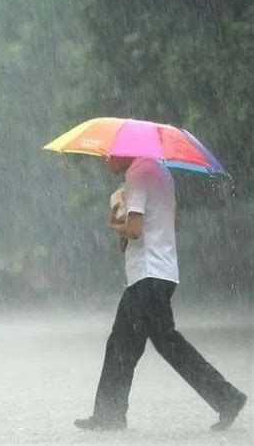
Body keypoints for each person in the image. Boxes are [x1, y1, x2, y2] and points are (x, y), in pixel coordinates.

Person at [74, 156, 247, 432]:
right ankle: (110, 413)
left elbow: (134, 229)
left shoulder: (137, 175)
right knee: (125, 344)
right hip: (162, 273)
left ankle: (226, 398)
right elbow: (173, 221)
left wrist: (115, 226)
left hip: (148, 276)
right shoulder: (162, 173)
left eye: (109, 154)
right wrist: (130, 225)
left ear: (124, 152)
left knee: (154, 344)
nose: (106, 159)